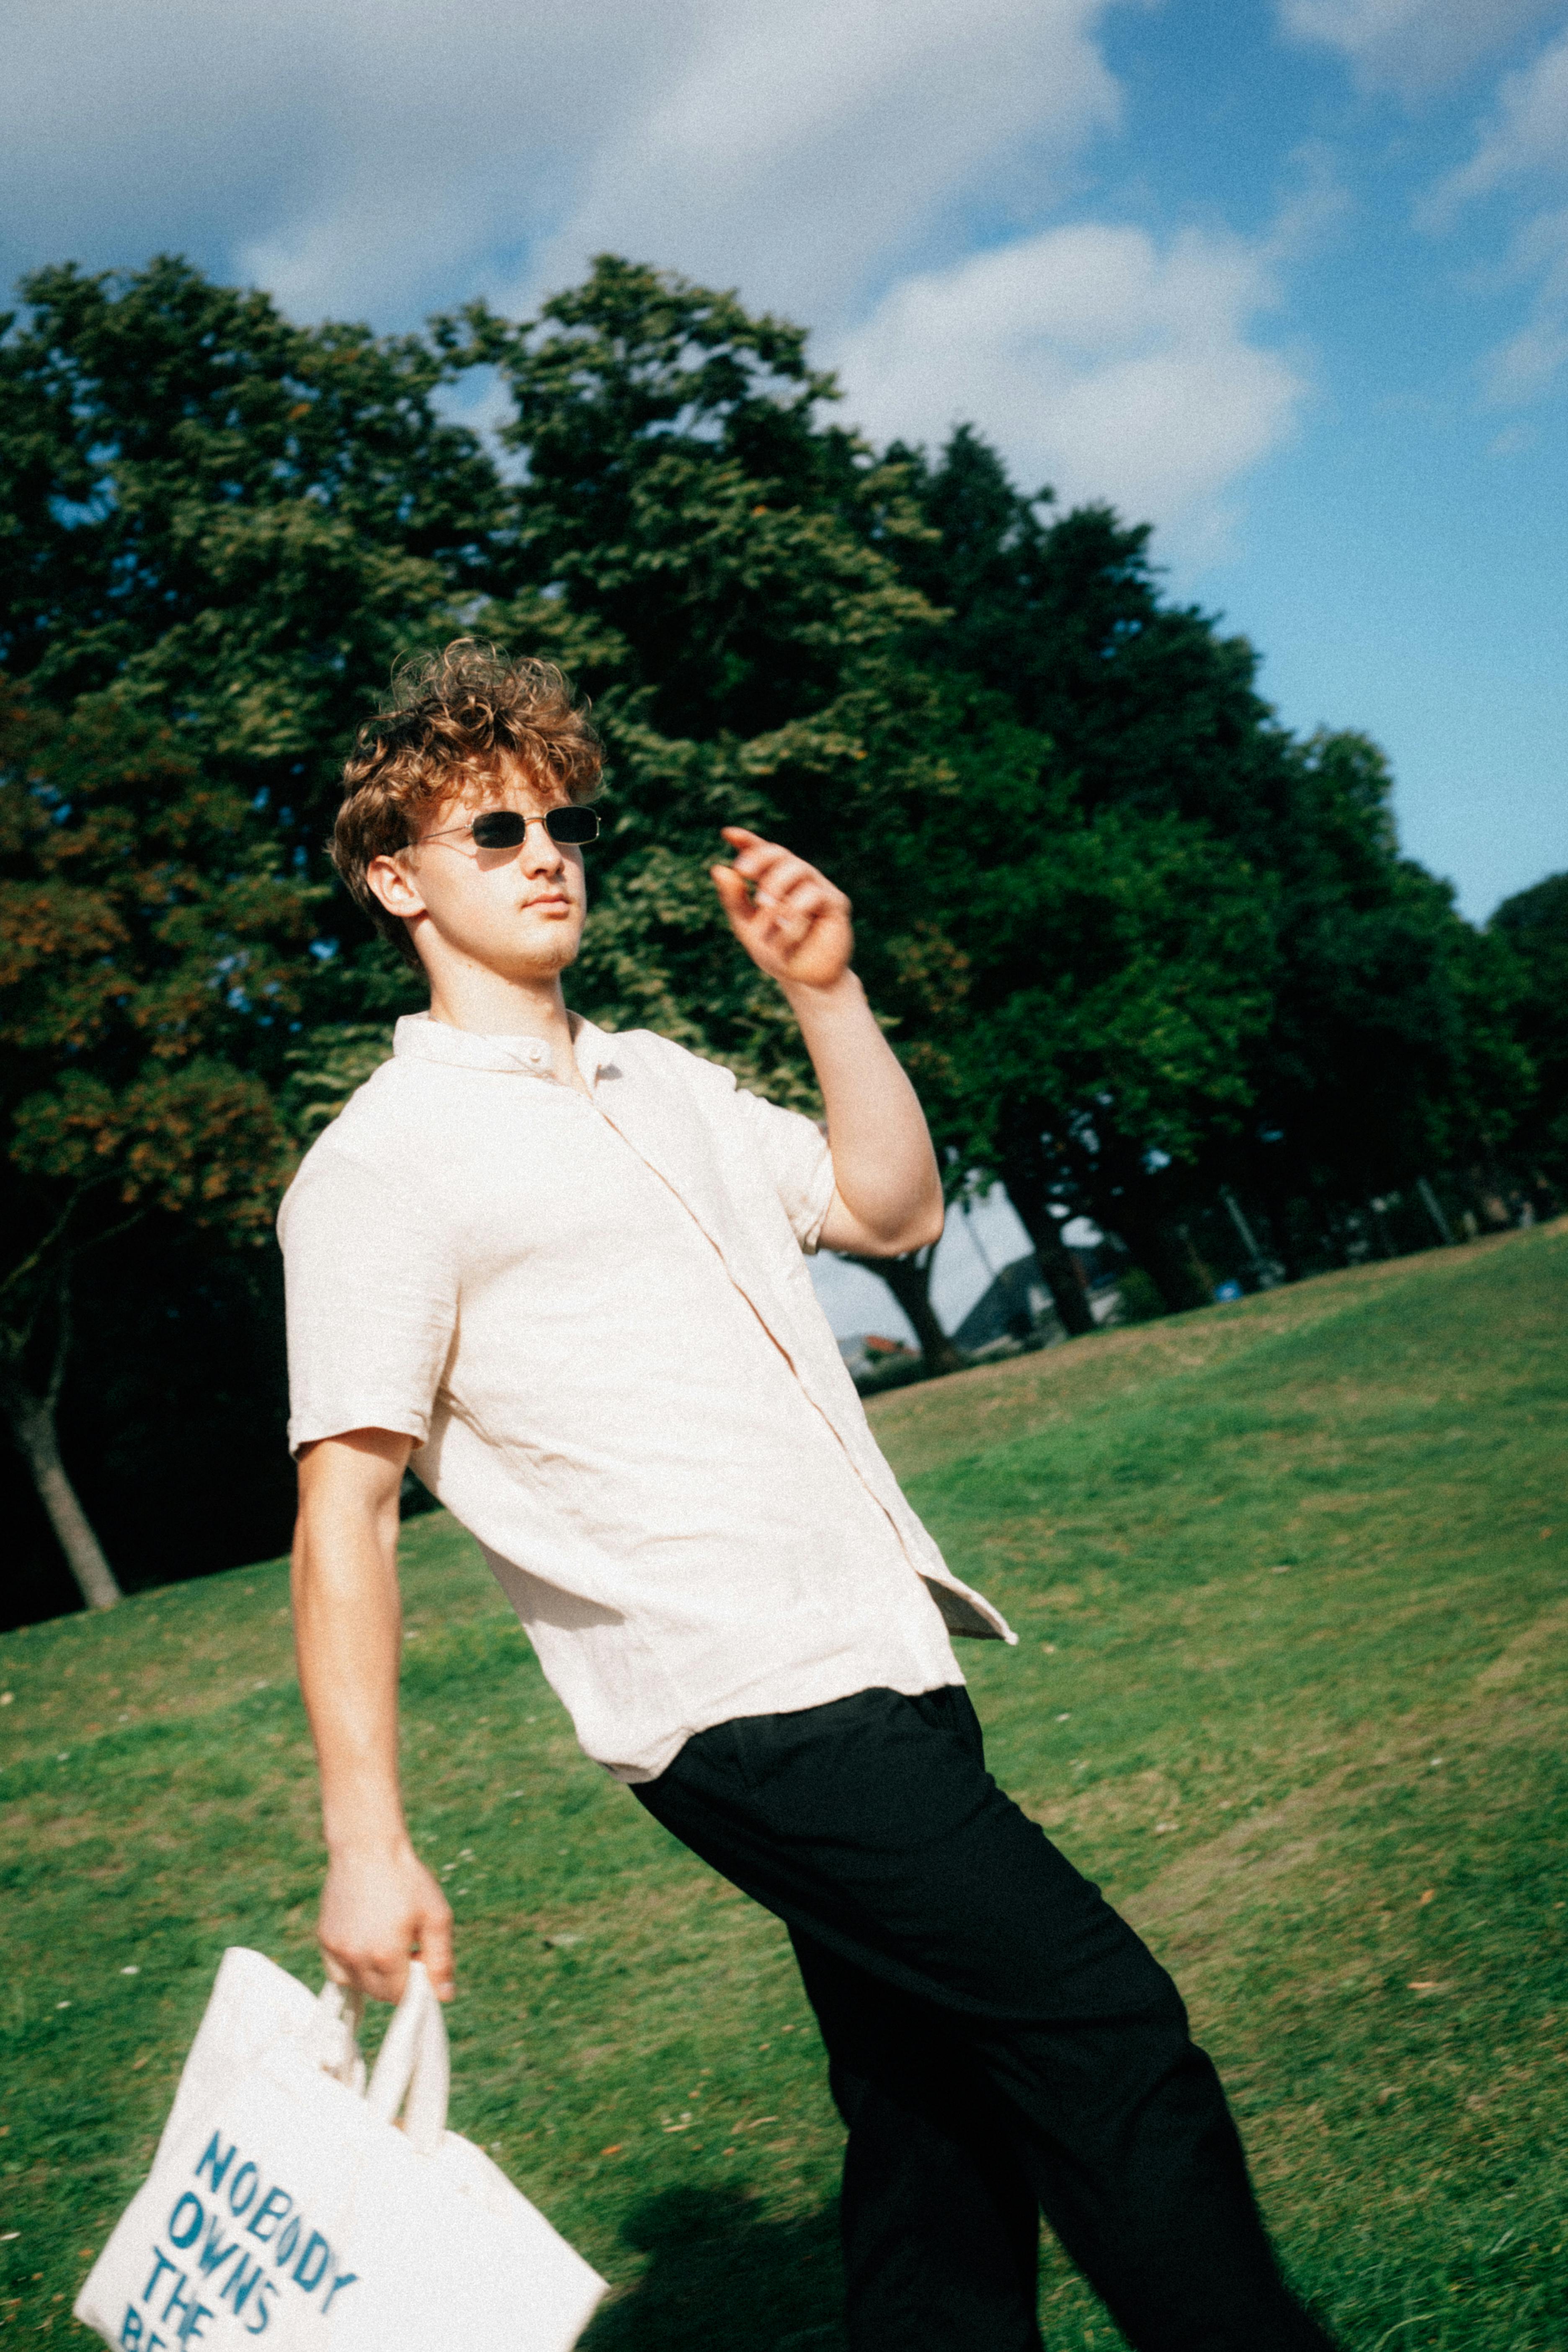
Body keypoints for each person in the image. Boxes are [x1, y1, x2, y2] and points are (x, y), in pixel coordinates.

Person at [281, 642, 1336, 2352]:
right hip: (738, 1701)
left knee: (940, 2121)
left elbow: (891, 1207)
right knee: (1102, 2029)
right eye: (492, 831)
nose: (545, 854)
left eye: (559, 822)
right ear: (398, 878)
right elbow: (343, 1519)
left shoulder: (659, 1081)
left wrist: (827, 996)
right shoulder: (379, 1166)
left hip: (885, 1656)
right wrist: (367, 1842)